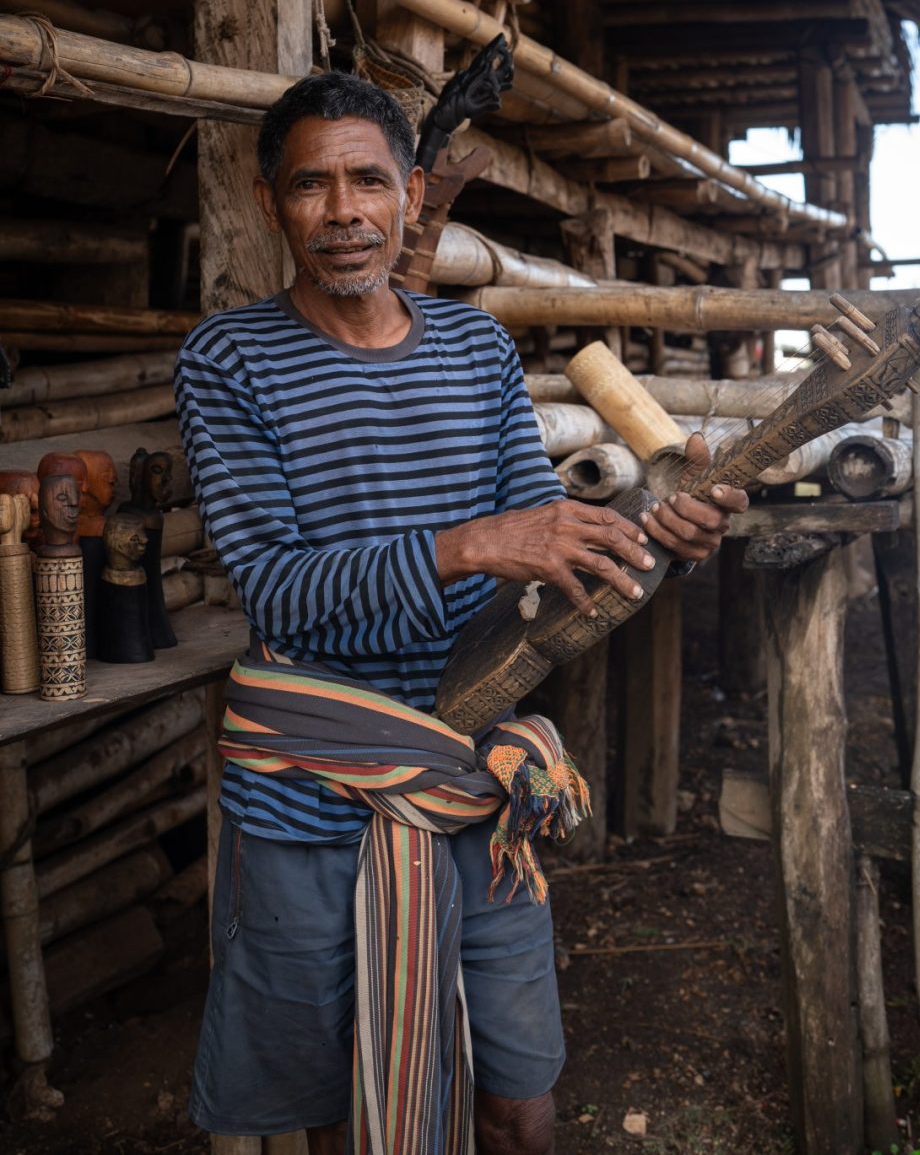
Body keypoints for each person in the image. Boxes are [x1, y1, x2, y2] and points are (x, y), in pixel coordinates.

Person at [175, 71, 747, 1155]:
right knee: (350, 1110)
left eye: (367, 181)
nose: (342, 211)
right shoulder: (231, 361)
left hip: (473, 779)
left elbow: (541, 573)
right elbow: (277, 588)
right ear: (269, 203)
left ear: (412, 192)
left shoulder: (475, 353)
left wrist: (658, 548)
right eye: (311, 185)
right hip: (311, 802)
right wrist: (469, 542)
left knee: (520, 1105)